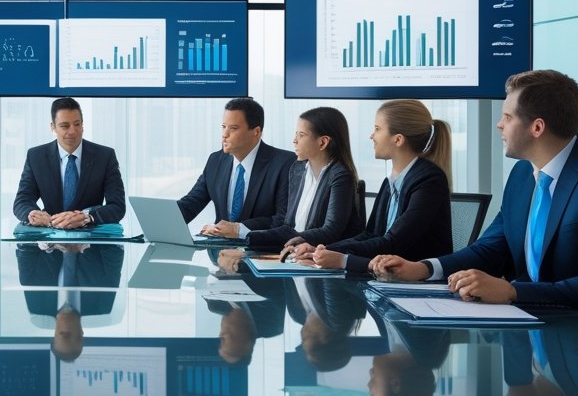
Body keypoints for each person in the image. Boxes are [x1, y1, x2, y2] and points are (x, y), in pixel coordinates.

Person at [371, 70, 578, 320]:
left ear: (537, 127)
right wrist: (423, 268)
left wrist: (512, 290)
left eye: (507, 117)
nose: (499, 124)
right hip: (537, 326)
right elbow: (490, 248)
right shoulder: (523, 175)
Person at [296, 99, 452, 274]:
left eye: (377, 129)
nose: (372, 136)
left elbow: (394, 243)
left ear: (398, 139)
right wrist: (321, 249)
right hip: (385, 276)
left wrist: (341, 257)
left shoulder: (429, 180)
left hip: (414, 283)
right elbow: (370, 234)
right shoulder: (391, 181)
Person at [245, 106, 363, 253]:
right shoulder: (298, 169)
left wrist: (293, 239)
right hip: (294, 252)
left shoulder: (340, 176)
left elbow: (331, 231)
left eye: (301, 135)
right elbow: (288, 225)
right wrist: (247, 237)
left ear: (322, 142)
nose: (294, 141)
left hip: (322, 258)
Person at [177, 97, 297, 239]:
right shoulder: (215, 161)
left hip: (261, 251)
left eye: (233, 128)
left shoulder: (285, 163)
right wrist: (156, 218)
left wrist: (238, 229)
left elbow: (283, 220)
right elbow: (191, 204)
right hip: (221, 254)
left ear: (256, 132)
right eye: (223, 126)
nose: (224, 134)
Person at [13, 97, 126, 228]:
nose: (72, 131)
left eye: (77, 124)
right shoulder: (36, 157)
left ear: (83, 125)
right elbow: (22, 202)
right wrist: (34, 214)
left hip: (91, 241)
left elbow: (117, 207)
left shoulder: (105, 156)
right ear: (53, 127)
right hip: (49, 241)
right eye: (65, 126)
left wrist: (87, 217)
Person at [16, 242, 124, 362]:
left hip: (47, 228)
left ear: (54, 333)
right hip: (91, 227)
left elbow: (24, 248)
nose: (73, 331)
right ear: (82, 333)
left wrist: (50, 242)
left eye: (66, 335)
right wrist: (84, 243)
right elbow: (115, 249)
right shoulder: (101, 305)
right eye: (78, 337)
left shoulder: (37, 304)